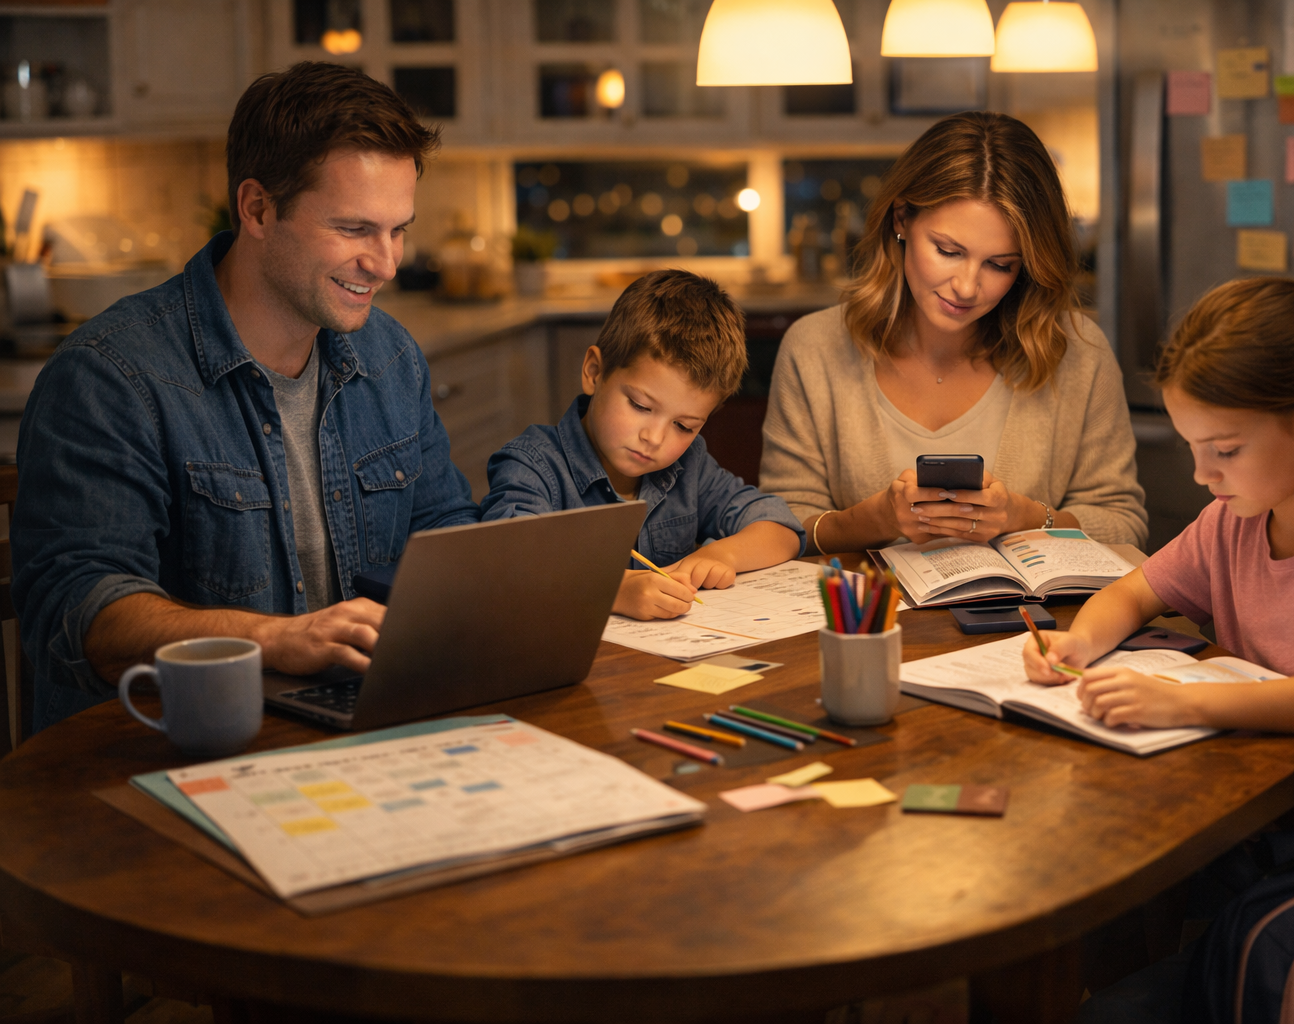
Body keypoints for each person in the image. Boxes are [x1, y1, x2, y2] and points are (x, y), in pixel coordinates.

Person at [13, 62, 481, 734]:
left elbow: (447, 538)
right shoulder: (110, 376)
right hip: (163, 754)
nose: (385, 263)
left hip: (352, 731)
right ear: (257, 208)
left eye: (398, 229)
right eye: (354, 230)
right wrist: (274, 639)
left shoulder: (390, 356)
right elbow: (81, 610)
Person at [1026, 278, 1294, 875]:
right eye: (1192, 447)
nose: (1202, 474)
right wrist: (1077, 644)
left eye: (1226, 450)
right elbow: (1131, 593)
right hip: (1261, 823)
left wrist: (1183, 703)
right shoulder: (1231, 521)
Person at [759, 111, 1147, 554]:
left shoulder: (1078, 352)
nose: (966, 287)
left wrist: (1024, 518)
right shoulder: (814, 349)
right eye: (947, 251)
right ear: (901, 219)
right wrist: (876, 520)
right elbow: (782, 525)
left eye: (1000, 265)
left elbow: (1123, 525)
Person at [480, 270, 805, 621]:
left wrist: (721, 556)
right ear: (594, 372)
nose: (655, 438)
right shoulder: (532, 465)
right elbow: (507, 565)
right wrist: (613, 590)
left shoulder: (689, 466)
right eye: (640, 406)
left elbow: (783, 528)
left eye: (683, 426)